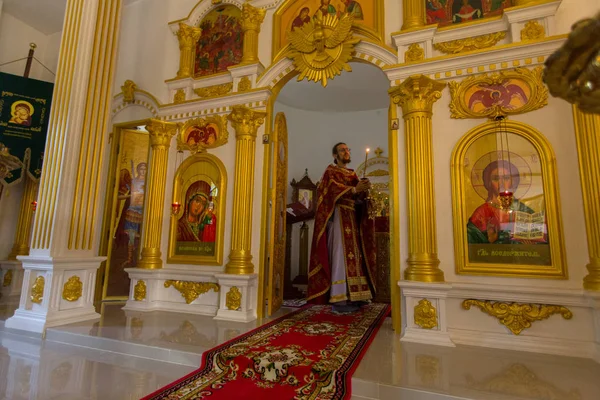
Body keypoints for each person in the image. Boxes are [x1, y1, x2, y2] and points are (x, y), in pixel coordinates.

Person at [307, 142, 377, 313]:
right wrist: (353, 190)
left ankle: (357, 295)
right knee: (340, 255)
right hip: (338, 216)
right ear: (335, 155)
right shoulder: (330, 172)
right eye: (342, 150)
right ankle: (340, 297)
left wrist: (363, 191)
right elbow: (330, 192)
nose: (346, 152)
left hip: (352, 217)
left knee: (356, 255)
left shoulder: (353, 174)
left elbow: (358, 198)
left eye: (347, 150)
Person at [467, 159, 546, 244]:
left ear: (512, 181)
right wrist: (490, 240)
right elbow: (471, 243)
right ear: (489, 182)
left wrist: (532, 243)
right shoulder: (482, 213)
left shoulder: (522, 209)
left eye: (506, 178)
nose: (501, 183)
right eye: (496, 178)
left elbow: (541, 236)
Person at [120, 162, 147, 267]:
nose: (143, 171)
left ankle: (139, 259)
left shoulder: (149, 182)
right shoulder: (133, 182)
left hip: (143, 213)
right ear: (138, 170)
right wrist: (132, 195)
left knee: (141, 237)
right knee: (131, 236)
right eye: (141, 169)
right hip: (132, 211)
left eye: (145, 169)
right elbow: (121, 195)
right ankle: (129, 259)